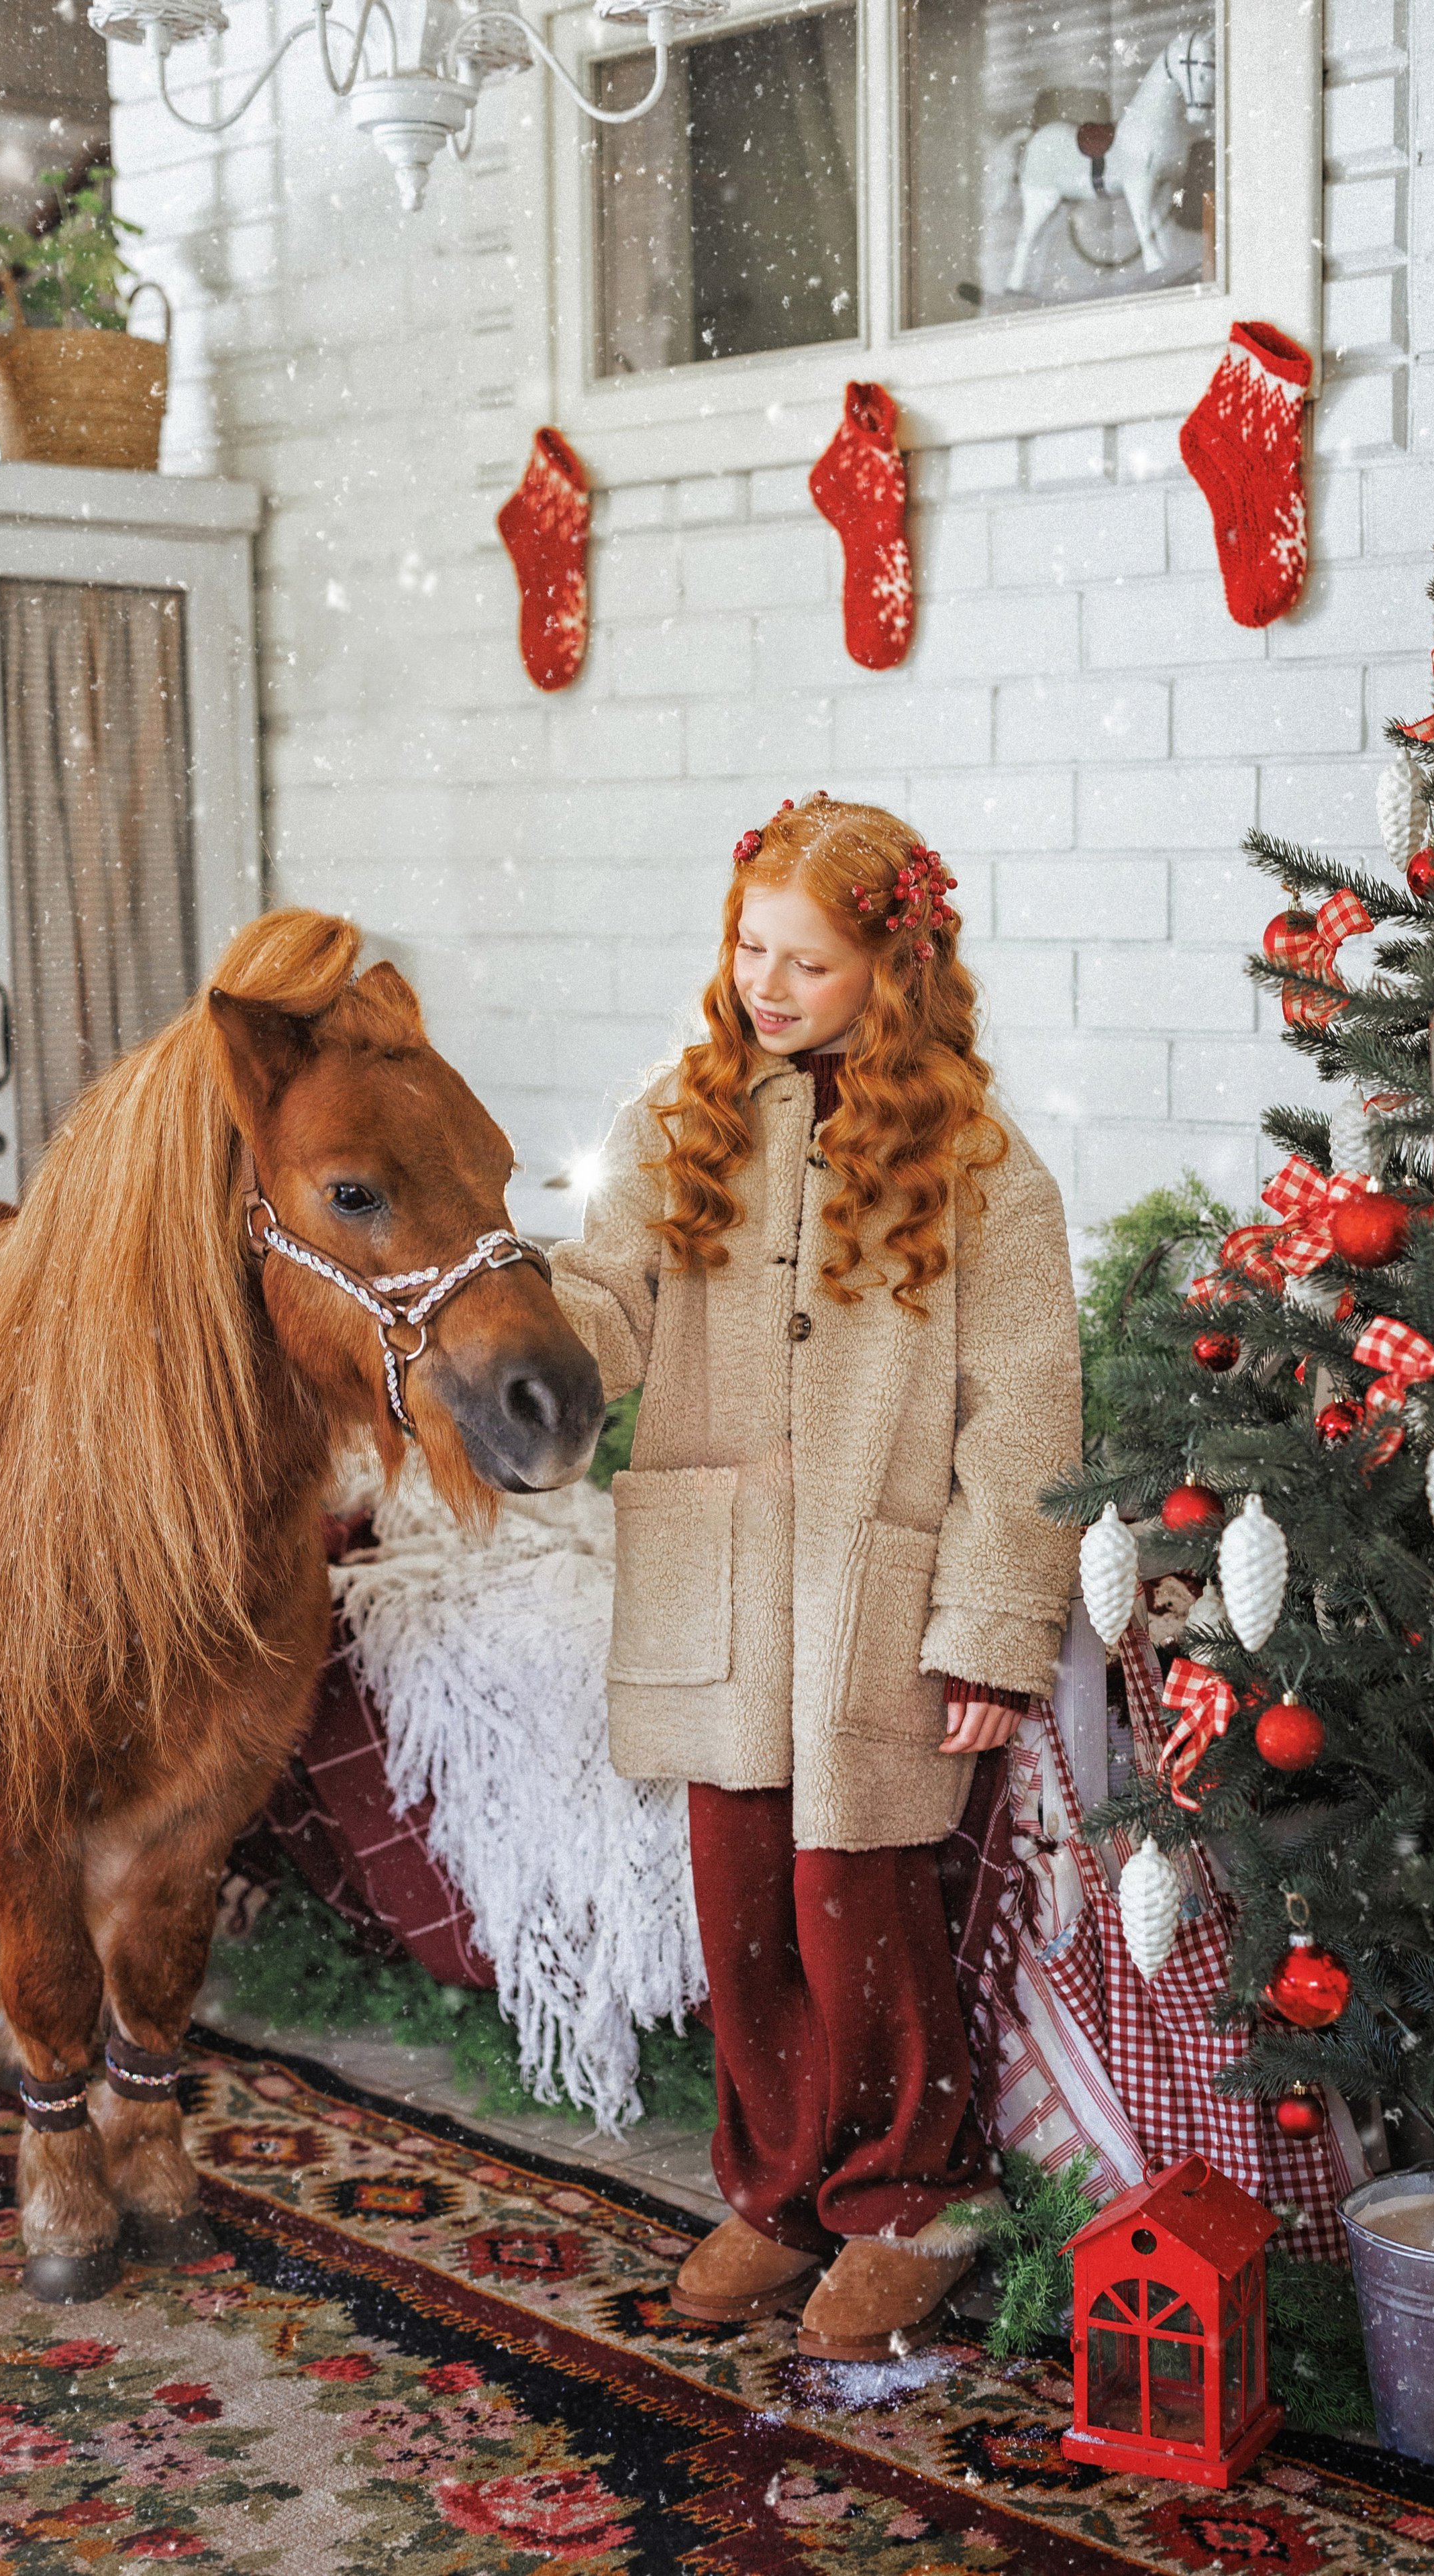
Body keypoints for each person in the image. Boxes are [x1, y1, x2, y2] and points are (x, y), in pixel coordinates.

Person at [546, 795, 1081, 2361]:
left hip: (875, 1599)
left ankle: (917, 2192)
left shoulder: (982, 1166)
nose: (767, 985)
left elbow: (1026, 1412)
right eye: (749, 949)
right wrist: (513, 1355)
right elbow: (606, 1304)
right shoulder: (676, 1120)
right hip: (719, 1583)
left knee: (856, 1894)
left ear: (888, 968)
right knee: (742, 1900)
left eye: (809, 961)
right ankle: (778, 2188)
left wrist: (989, 1625)